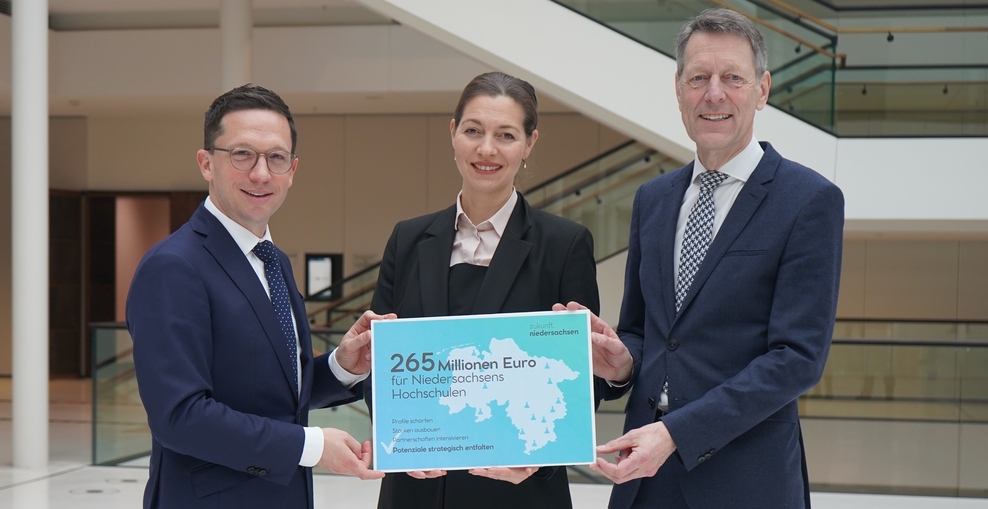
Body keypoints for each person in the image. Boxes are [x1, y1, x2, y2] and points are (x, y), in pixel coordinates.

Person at [557, 8, 844, 509]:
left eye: (733, 77)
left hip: (745, 480)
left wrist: (675, 434)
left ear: (762, 89)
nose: (714, 93)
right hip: (643, 479)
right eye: (699, 78)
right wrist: (622, 362)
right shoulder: (653, 199)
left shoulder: (809, 200)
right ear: (678, 89)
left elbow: (797, 359)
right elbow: (645, 331)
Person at [128, 84, 390, 509]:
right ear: (206, 163)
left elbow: (274, 395)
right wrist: (310, 446)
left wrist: (342, 366)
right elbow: (179, 417)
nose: (261, 174)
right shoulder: (174, 266)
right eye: (242, 154)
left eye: (276, 157)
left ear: (293, 170)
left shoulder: (273, 261)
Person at [368, 71, 602, 509]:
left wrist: (539, 458)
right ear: (453, 133)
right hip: (416, 490)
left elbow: (582, 376)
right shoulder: (408, 239)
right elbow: (379, 360)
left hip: (519, 492)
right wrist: (397, 436)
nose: (486, 149)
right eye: (473, 131)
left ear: (529, 143)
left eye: (506, 135)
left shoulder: (565, 244)